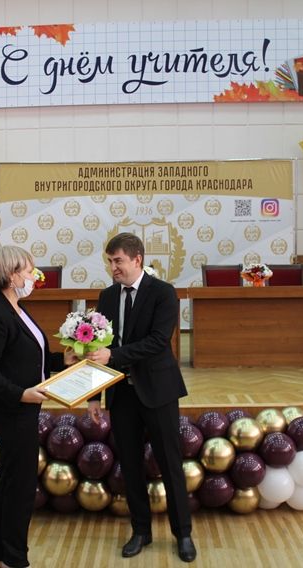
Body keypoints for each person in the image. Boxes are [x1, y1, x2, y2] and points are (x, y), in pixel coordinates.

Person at [86, 232, 196, 563]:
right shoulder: (106, 296)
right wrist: (94, 396)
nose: (113, 268)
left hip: (158, 392)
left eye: (118, 261)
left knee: (170, 464)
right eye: (110, 261)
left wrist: (114, 355)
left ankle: (183, 533)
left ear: (138, 259)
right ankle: (141, 531)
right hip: (121, 395)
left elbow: (158, 341)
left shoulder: (163, 292)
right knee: (131, 465)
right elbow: (97, 349)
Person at [0, 245, 75, 568]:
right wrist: (21, 394)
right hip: (10, 412)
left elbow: (31, 357)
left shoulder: (17, 307)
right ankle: (15, 559)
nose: (33, 276)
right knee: (20, 489)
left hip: (24, 409)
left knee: (9, 483)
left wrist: (62, 361)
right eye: (29, 271)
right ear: (11, 275)